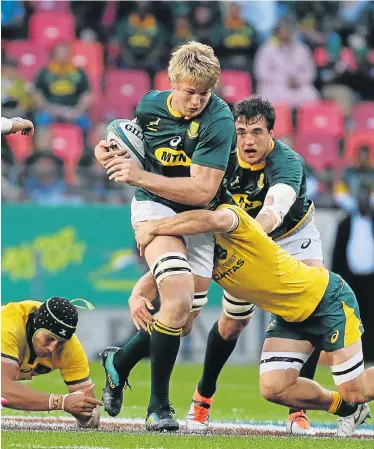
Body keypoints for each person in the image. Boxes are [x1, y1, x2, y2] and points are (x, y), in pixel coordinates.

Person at [100, 95, 325, 435]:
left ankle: (298, 409)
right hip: (234, 238)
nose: (248, 141)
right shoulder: (220, 160)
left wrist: (250, 234)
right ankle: (203, 395)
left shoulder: (287, 163)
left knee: (314, 305)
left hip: (289, 236)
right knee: (222, 323)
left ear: (272, 134)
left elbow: (275, 209)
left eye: (257, 132)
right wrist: (143, 287)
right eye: (242, 132)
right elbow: (192, 229)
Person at [134, 203, 372, 438]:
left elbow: (212, 219)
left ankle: (353, 401)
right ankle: (349, 409)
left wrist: (154, 226)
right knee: (274, 387)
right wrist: (138, 293)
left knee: (355, 390)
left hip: (325, 301)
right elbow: (173, 268)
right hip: (290, 316)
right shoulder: (201, 244)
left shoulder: (232, 218)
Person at [94, 41, 236, 431]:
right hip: (153, 208)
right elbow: (121, 143)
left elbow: (202, 192)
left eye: (204, 94)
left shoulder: (218, 119)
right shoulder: (149, 106)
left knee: (184, 320)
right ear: (173, 82)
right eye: (189, 92)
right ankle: (159, 408)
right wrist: (103, 152)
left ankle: (118, 361)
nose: (196, 101)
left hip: (198, 215)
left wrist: (137, 174)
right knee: (176, 300)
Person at [1, 297, 102, 427]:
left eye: (60, 342)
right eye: (49, 339)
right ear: (36, 326)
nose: (52, 348)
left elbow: (91, 415)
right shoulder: (8, 328)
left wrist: (85, 414)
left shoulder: (71, 348)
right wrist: (61, 402)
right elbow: (2, 388)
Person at [332, 183, 374, 363]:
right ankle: (353, 356)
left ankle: (371, 354)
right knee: (352, 319)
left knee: (371, 316)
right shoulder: (345, 223)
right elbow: (337, 253)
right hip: (350, 280)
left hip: (371, 280)